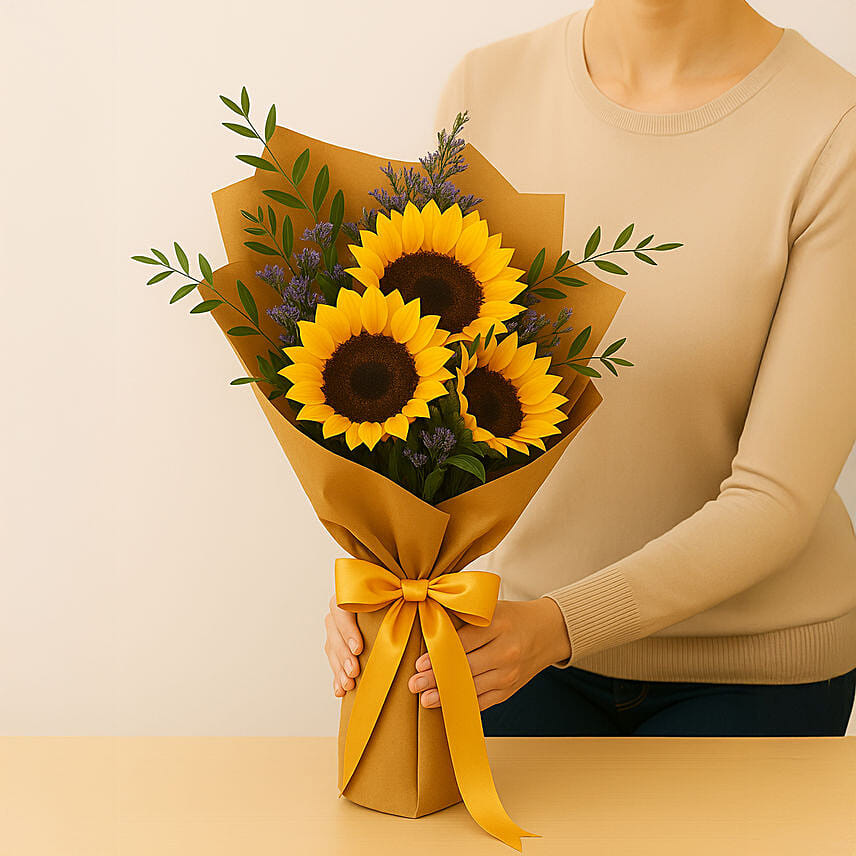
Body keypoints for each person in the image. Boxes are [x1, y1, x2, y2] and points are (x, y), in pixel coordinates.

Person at [323, 0, 856, 737]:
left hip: (747, 669)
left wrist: (557, 625)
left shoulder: (834, 128)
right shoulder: (488, 88)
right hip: (504, 645)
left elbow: (775, 498)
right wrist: (385, 568)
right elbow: (425, 388)